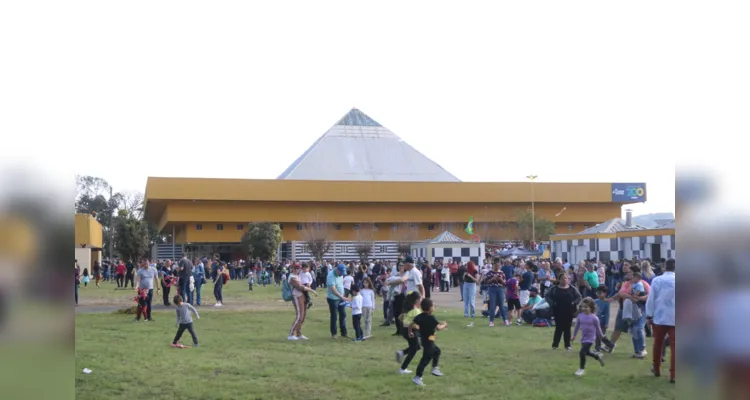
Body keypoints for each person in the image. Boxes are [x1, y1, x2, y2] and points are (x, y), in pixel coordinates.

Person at [646, 258, 675, 383]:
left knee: (658, 344)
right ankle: (674, 375)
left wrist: (649, 315)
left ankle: (657, 368)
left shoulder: (657, 280)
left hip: (659, 317)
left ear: (664, 267)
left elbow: (651, 299)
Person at [409, 298, 447, 387]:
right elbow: (438, 328)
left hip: (425, 340)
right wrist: (444, 325)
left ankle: (435, 368)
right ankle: (418, 377)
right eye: (433, 306)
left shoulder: (419, 316)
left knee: (437, 351)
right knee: (425, 360)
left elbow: (411, 324)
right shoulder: (431, 318)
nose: (434, 307)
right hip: (429, 342)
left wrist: (410, 332)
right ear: (430, 308)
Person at [545, 273, 582, 350]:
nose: (564, 280)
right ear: (559, 279)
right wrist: (552, 303)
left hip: (569, 311)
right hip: (557, 310)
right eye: (562, 278)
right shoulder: (554, 288)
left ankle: (567, 345)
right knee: (558, 327)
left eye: (566, 278)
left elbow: (579, 297)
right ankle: (555, 345)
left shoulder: (572, 288)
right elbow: (547, 296)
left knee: (567, 328)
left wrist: (574, 303)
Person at [572, 298, 606, 376]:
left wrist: (602, 337)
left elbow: (598, 329)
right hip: (583, 338)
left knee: (582, 352)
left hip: (591, 339)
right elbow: (576, 326)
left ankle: (581, 369)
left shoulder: (594, 318)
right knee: (587, 352)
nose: (584, 308)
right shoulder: (580, 316)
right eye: (583, 307)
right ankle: (597, 356)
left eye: (586, 307)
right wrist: (574, 335)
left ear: (591, 307)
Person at [288, 263, 316, 341]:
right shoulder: (292, 277)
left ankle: (299, 333)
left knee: (303, 316)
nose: (296, 270)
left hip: (302, 296)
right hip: (297, 296)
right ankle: (291, 334)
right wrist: (312, 290)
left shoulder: (298, 275)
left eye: (298, 268)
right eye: (295, 268)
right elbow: (300, 287)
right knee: (299, 316)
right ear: (292, 268)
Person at [396, 291, 422, 374]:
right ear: (416, 300)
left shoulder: (407, 309)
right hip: (411, 332)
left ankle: (402, 352)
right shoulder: (416, 311)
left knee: (417, 346)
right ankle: (402, 369)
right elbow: (407, 323)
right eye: (420, 299)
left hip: (404, 331)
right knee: (414, 349)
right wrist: (416, 326)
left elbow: (400, 318)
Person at [482, 257, 509, 327]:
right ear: (493, 265)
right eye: (496, 266)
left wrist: (500, 279)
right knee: (492, 305)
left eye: (498, 265)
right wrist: (492, 278)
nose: (497, 267)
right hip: (492, 289)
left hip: (500, 289)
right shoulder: (490, 273)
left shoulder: (502, 273)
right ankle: (491, 321)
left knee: (501, 305)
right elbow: (485, 282)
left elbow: (505, 284)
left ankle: (505, 320)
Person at [326, 264, 350, 339]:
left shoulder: (341, 275)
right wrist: (341, 296)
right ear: (337, 270)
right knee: (334, 316)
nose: (342, 274)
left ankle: (344, 332)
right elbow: (333, 289)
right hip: (333, 299)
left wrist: (343, 294)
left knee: (343, 314)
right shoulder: (331, 276)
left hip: (340, 298)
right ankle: (334, 333)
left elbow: (340, 284)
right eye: (341, 272)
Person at [134, 257, 160, 322]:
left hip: (150, 289)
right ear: (142, 264)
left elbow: (156, 279)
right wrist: (136, 287)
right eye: (144, 263)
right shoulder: (140, 271)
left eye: (147, 263)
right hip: (142, 290)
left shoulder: (153, 270)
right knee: (141, 304)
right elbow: (138, 280)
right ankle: (138, 317)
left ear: (149, 263)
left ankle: (149, 317)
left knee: (149, 303)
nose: (146, 265)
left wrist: (158, 288)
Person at [594, 286, 614, 352]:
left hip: (602, 322)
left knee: (599, 335)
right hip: (596, 322)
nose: (599, 294)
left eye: (600, 293)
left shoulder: (606, 302)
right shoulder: (595, 301)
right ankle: (609, 345)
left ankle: (599, 348)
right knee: (599, 335)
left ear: (605, 293)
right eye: (598, 292)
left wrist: (606, 323)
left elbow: (607, 313)